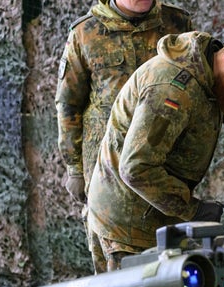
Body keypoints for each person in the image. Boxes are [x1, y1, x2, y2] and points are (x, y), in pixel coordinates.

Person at [86, 24, 224, 273]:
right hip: (126, 228)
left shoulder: (207, 79)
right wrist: (193, 209)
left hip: (152, 219)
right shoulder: (172, 89)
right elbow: (137, 168)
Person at [55, 0, 193, 272]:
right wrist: (74, 168)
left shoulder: (177, 25)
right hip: (106, 173)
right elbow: (69, 103)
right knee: (113, 278)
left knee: (170, 270)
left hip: (162, 170)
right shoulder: (86, 32)